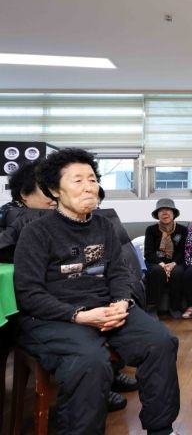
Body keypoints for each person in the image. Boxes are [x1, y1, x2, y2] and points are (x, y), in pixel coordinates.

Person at [13, 148, 180, 435]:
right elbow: (29, 294)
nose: (89, 186)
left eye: (92, 179)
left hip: (105, 308)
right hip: (55, 317)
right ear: (55, 189)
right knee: (89, 361)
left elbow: (118, 273)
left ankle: (161, 429)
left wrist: (121, 302)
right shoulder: (36, 232)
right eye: (77, 180)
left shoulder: (103, 226)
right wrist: (79, 315)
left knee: (161, 342)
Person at [0, 158, 137, 413]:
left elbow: (112, 269)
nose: (52, 197)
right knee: (84, 352)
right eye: (46, 189)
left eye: (91, 180)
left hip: (94, 297)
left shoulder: (96, 222)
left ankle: (105, 376)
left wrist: (120, 300)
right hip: (48, 307)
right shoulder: (21, 220)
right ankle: (95, 380)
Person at [144, 198, 188, 319]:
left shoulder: (183, 230)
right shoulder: (151, 230)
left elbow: (183, 251)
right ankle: (152, 308)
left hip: (176, 262)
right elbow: (148, 253)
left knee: (177, 272)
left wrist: (173, 264)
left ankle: (175, 307)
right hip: (156, 263)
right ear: (157, 215)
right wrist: (162, 265)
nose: (165, 213)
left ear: (173, 213)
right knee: (157, 271)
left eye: (168, 210)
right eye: (161, 210)